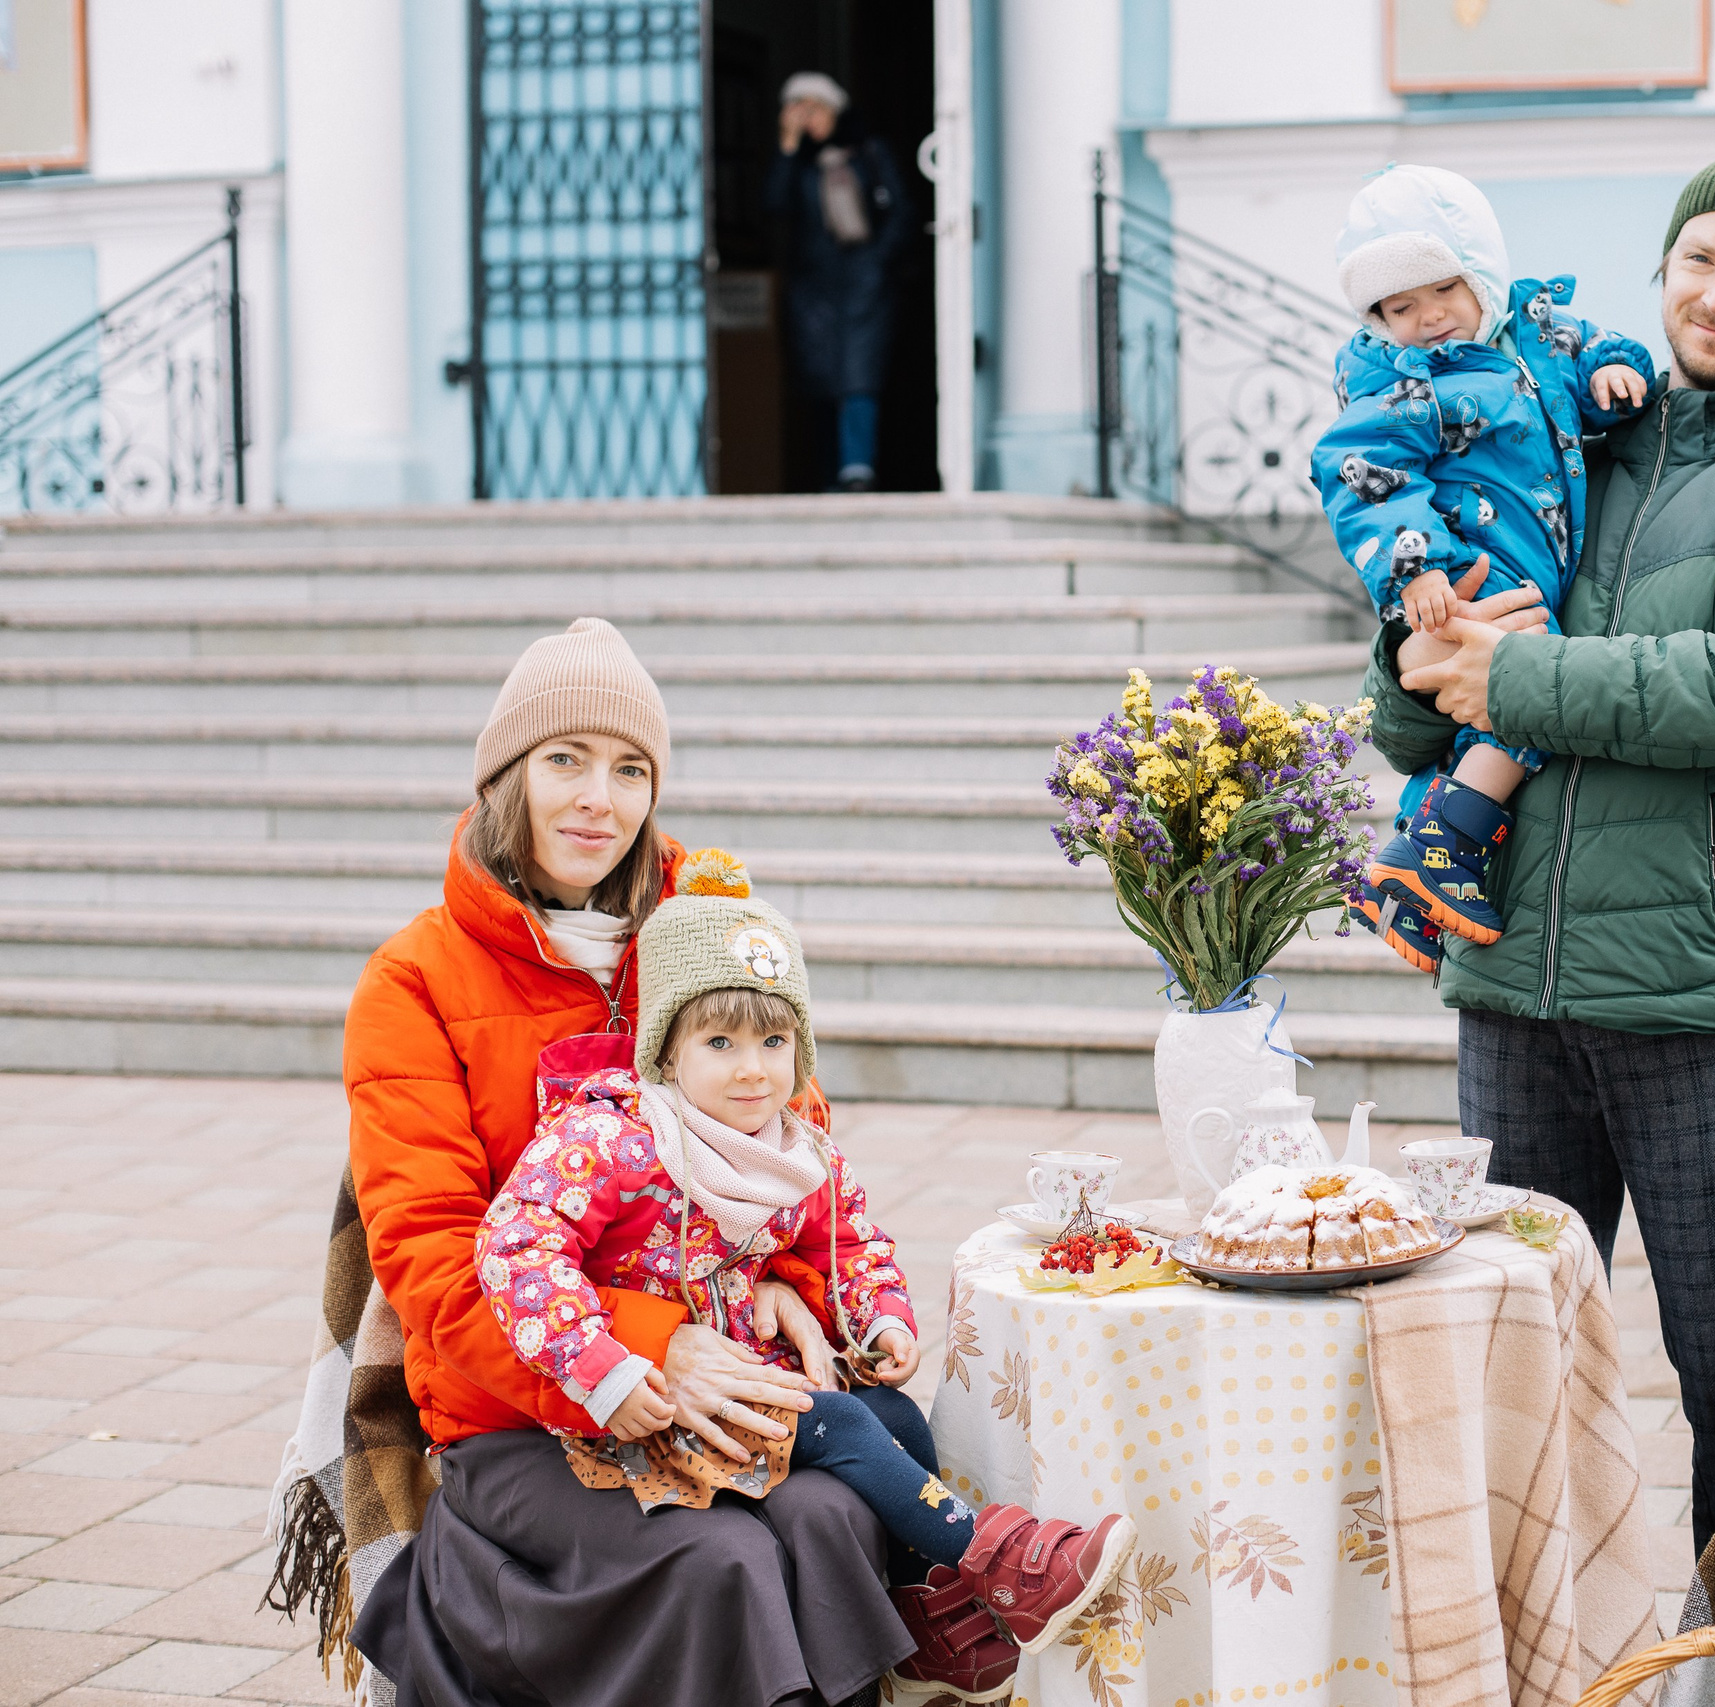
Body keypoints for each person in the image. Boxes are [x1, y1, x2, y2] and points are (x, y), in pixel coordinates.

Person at [1364, 148, 1715, 1552]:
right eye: (1698, 259)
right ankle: (1533, 1647)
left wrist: (1519, 681)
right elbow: (1419, 725)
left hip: (1692, 994)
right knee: (1506, 1365)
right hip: (1513, 989)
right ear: (1662, 272)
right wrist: (1414, 639)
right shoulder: (1572, 434)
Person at [322, 618, 913, 1706]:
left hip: (725, 1383)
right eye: (565, 760)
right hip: (527, 1410)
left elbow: (797, 1144)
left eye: (629, 768)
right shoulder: (414, 981)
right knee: (720, 1561)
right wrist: (650, 1348)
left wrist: (786, 1281)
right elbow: (434, 1267)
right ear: (507, 777)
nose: (600, 797)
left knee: (837, 1513)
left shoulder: (704, 936)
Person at [478, 849, 1134, 1703]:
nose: (753, 1068)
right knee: (837, 1421)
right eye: (719, 1042)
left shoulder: (795, 1148)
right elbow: (517, 1245)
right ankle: (993, 1560)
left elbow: (852, 1243)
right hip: (647, 1407)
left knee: (891, 1410)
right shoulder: (616, 1139)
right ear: (667, 1053)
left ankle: (926, 1614)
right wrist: (602, 1368)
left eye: (774, 1040)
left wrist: (882, 1319)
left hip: (746, 1378)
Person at [1310, 164, 1656, 973]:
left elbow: (1598, 358)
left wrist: (1616, 376)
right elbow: (1363, 472)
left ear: (1484, 277)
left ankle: (1409, 881)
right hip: (1470, 569)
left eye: (1443, 293)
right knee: (1521, 704)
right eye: (1401, 308)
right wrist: (1417, 570)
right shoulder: (1405, 381)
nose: (1428, 319)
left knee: (1486, 719)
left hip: (1533, 557)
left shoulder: (1538, 335)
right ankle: (1432, 853)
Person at [767, 70, 911, 492]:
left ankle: (856, 470)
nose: (809, 118)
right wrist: (788, 146)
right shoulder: (798, 165)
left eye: (816, 108)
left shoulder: (868, 154)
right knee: (820, 379)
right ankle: (830, 472)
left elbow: (900, 211)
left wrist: (877, 262)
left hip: (864, 282)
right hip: (814, 286)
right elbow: (774, 206)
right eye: (800, 108)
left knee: (859, 375)